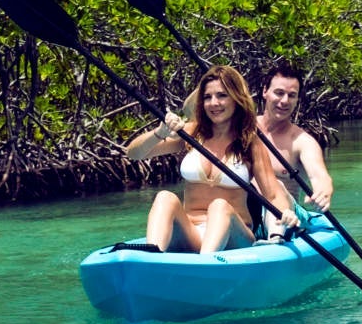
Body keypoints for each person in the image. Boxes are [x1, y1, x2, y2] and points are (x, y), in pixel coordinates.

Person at [124, 64, 294, 252]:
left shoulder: (249, 142)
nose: (214, 103)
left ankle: (206, 264)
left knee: (220, 206)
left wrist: (284, 212)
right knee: (165, 197)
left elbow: (272, 193)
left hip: (235, 237)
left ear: (236, 99)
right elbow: (133, 154)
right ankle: (151, 255)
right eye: (207, 97)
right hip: (193, 232)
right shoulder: (191, 133)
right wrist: (159, 132)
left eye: (222, 95)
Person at [255, 60, 334, 216]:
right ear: (265, 92)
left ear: (297, 99)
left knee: (277, 184)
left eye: (292, 95)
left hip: (284, 216)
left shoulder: (302, 142)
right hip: (245, 213)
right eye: (279, 93)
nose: (284, 101)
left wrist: (323, 190)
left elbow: (319, 176)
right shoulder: (242, 128)